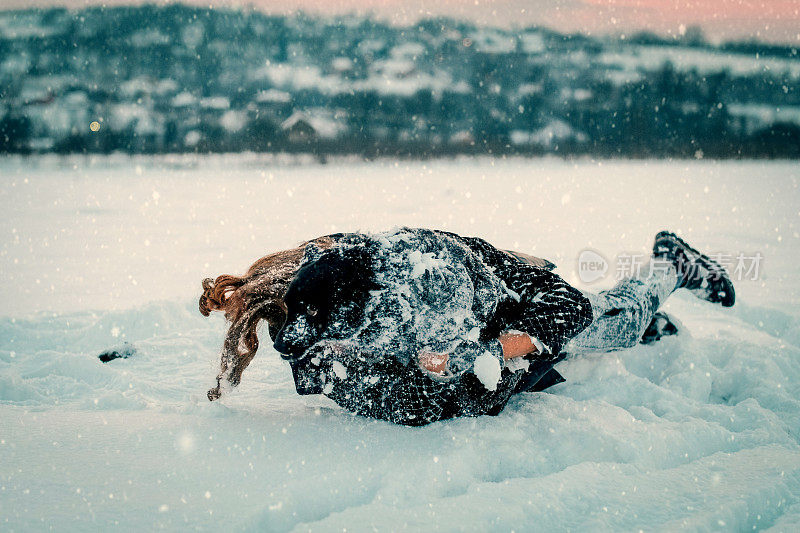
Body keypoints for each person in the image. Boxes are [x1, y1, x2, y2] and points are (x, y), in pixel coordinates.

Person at [200, 229, 734, 426]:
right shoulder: (330, 358)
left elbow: (562, 305)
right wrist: (471, 372)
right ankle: (657, 301)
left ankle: (671, 266)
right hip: (493, 345)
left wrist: (507, 343)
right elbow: (422, 405)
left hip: (507, 295)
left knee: (604, 319)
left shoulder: (365, 259)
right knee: (601, 325)